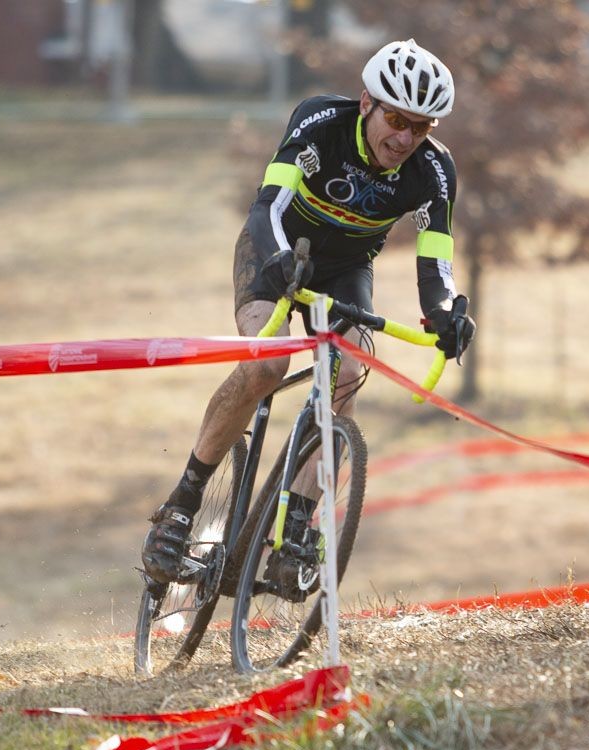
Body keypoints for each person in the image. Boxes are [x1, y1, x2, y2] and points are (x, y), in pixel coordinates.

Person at [141, 39, 476, 584]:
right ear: (367, 102)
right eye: (396, 118)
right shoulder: (320, 121)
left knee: (346, 380)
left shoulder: (434, 170)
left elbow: (435, 258)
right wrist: (276, 261)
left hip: (344, 271)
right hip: (274, 250)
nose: (405, 138)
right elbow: (267, 204)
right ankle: (182, 503)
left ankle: (296, 525)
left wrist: (444, 313)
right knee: (266, 368)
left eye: (422, 127)